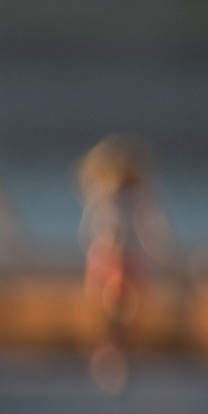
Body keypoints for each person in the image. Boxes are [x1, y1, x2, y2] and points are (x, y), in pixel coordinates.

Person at [75, 135, 169, 391]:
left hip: (127, 259)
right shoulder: (105, 194)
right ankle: (112, 352)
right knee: (113, 309)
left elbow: (151, 226)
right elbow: (94, 226)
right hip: (112, 259)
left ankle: (116, 353)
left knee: (124, 311)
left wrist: (155, 252)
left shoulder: (138, 194)